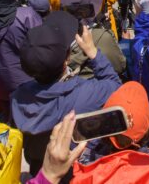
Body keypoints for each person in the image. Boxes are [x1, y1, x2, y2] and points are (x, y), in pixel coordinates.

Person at [11, 12, 122, 167]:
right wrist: (92, 52)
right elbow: (115, 85)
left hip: (40, 167)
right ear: (67, 59)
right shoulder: (85, 93)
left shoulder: (17, 97)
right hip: (76, 169)